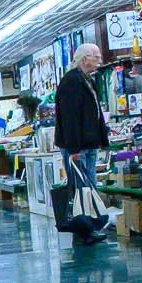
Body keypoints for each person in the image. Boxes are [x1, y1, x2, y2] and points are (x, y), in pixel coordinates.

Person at [53, 43, 110, 244]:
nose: (99, 60)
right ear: (84, 58)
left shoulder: (86, 80)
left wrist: (102, 139)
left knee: (88, 186)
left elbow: (95, 113)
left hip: (88, 144)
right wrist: (74, 149)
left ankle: (89, 227)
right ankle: (85, 229)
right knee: (81, 188)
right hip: (78, 147)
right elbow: (70, 118)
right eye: (96, 56)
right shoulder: (71, 82)